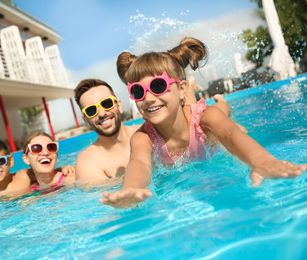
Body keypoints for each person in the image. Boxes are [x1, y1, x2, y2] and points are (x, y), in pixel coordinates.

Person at [99, 37, 307, 208]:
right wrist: (131, 188)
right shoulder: (143, 136)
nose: (148, 97)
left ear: (179, 90)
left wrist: (263, 162)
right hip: (180, 108)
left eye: (158, 85)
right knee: (185, 109)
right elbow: (139, 163)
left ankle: (220, 101)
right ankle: (191, 88)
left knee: (224, 118)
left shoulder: (205, 118)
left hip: (203, 120)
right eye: (137, 91)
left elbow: (231, 136)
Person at [74, 78, 239, 187]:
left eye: (107, 103)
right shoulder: (87, 161)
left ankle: (202, 93)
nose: (101, 113)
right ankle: (191, 87)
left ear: (119, 105)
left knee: (195, 112)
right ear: (86, 119)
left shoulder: (148, 130)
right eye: (91, 111)